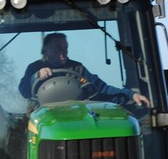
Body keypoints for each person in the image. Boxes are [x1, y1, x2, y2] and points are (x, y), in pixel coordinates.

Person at [19, 33, 149, 106]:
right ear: (46, 50)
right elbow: (24, 91)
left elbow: (101, 89)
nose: (63, 52)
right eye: (58, 48)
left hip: (76, 116)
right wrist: (35, 77)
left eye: (65, 48)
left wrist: (131, 94)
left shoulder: (77, 68)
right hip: (43, 119)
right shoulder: (35, 68)